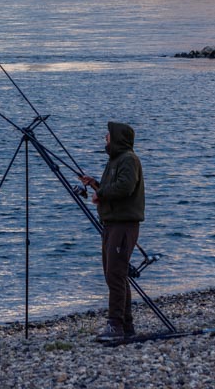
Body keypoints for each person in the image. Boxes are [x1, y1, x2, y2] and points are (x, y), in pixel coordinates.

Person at [78, 121, 146, 341]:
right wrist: (96, 185)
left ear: (117, 138)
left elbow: (125, 187)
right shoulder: (115, 160)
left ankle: (115, 326)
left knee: (116, 275)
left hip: (123, 225)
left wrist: (102, 193)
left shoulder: (128, 159)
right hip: (111, 224)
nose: (105, 138)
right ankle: (126, 326)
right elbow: (113, 187)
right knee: (115, 274)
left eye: (108, 135)